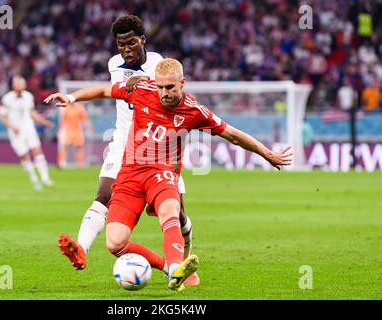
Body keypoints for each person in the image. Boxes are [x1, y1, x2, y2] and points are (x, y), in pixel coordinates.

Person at [44, 58, 293, 291]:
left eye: (170, 87)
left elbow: (233, 135)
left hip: (162, 175)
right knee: (114, 243)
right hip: (130, 174)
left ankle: (176, 268)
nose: (164, 93)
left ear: (182, 83)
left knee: (170, 211)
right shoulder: (142, 89)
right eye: (161, 87)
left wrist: (266, 153)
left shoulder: (195, 111)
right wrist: (70, 97)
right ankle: (168, 268)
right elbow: (103, 91)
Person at [55, 15, 199, 285]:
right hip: (124, 141)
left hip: (159, 147)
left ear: (143, 40)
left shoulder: (159, 65)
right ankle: (82, 250)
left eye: (131, 43)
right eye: (121, 44)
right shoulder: (114, 64)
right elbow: (107, 91)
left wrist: (143, 83)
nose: (126, 50)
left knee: (176, 214)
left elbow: (174, 100)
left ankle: (185, 264)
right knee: (103, 194)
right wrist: (72, 97)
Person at [0, 75, 54, 191]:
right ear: (14, 85)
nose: (20, 85)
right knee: (24, 156)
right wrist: (11, 126)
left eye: (22, 83)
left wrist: (43, 121)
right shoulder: (7, 98)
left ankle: (45, 179)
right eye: (18, 83)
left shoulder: (28, 96)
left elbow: (31, 112)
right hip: (16, 131)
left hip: (28, 127)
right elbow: (1, 116)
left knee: (37, 151)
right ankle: (34, 179)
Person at [57, 102, 93, 168]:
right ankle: (61, 162)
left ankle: (80, 164)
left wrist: (90, 129)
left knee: (79, 147)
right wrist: (59, 131)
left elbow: (85, 120)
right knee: (64, 147)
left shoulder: (79, 107)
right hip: (68, 131)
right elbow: (62, 121)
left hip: (78, 131)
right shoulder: (66, 108)